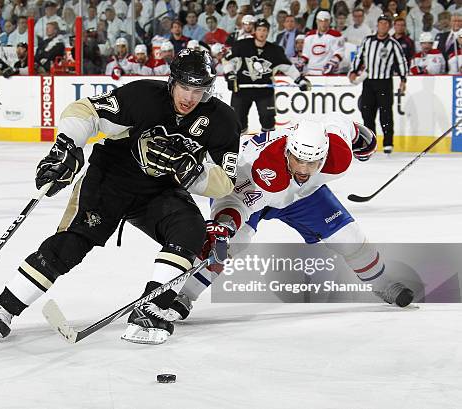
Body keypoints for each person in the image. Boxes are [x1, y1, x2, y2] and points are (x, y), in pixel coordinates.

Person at [0, 49, 241, 345]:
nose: (189, 98)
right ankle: (2, 309)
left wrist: (192, 173)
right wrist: (66, 146)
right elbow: (85, 111)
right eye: (185, 87)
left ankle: (150, 310)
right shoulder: (142, 96)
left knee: (191, 231)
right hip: (109, 182)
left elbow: (225, 182)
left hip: (160, 191)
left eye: (198, 90)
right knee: (70, 245)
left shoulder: (222, 120)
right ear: (171, 81)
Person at [166, 116, 415, 324]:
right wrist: (226, 224)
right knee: (230, 243)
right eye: (298, 160)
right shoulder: (264, 169)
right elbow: (236, 201)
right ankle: (184, 295)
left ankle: (383, 283)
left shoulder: (338, 153)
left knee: (350, 237)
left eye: (313, 163)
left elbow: (341, 124)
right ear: (287, 151)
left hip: (301, 196)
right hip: (246, 186)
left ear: (325, 155)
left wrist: (362, 134)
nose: (304, 170)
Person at [223, 18, 311, 133]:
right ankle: (239, 147)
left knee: (268, 121)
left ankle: (267, 147)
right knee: (238, 123)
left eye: (264, 30)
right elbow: (227, 60)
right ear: (254, 31)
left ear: (268, 32)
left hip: (264, 91)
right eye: (259, 29)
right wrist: (230, 75)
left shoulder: (275, 50)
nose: (262, 33)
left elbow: (288, 68)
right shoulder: (241, 45)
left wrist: (300, 81)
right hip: (242, 90)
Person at [349, 14, 408, 155]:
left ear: (389, 26)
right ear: (378, 25)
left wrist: (403, 79)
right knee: (367, 113)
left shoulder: (393, 44)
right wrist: (354, 71)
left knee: (386, 114)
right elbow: (359, 56)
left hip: (384, 82)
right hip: (369, 82)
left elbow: (401, 62)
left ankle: (388, 143)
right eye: (381, 23)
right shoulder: (368, 41)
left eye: (386, 23)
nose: (384, 26)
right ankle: (370, 143)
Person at [301, 11, 345, 75]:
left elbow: (339, 52)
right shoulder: (309, 35)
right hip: (310, 71)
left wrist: (332, 63)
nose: (323, 23)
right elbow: (306, 54)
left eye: (326, 21)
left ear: (330, 21)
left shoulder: (336, 35)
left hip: (327, 70)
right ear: (316, 21)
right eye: (321, 21)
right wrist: (300, 62)